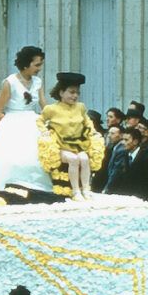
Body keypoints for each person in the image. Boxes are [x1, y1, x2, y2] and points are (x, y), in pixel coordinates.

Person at [0, 46, 50, 191]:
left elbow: (44, 106)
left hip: (33, 122)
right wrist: (6, 127)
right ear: (25, 64)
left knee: (36, 158)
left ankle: (38, 188)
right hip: (12, 122)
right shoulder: (9, 83)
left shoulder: (38, 82)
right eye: (37, 65)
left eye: (40, 64)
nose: (39, 68)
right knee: (11, 159)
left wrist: (51, 120)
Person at [37, 72, 104, 201]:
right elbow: (39, 120)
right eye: (72, 92)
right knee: (73, 159)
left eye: (77, 93)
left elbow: (87, 121)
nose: (75, 96)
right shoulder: (51, 109)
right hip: (61, 146)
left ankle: (86, 189)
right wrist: (44, 131)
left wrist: (93, 131)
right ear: (61, 92)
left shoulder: (81, 107)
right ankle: (75, 191)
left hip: (78, 145)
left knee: (84, 159)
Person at [93, 123, 126, 193]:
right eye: (109, 133)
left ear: (121, 135)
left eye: (112, 133)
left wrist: (107, 188)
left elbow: (116, 171)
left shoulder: (121, 149)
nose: (109, 136)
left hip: (116, 187)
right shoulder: (113, 147)